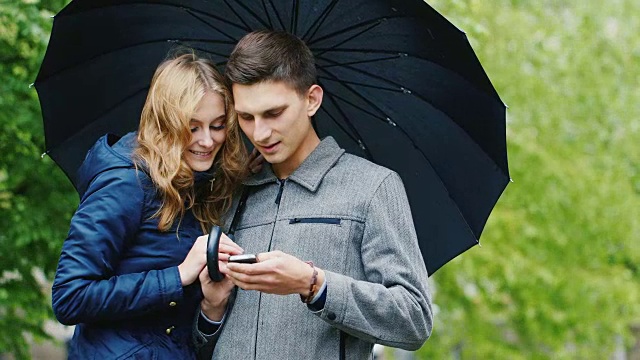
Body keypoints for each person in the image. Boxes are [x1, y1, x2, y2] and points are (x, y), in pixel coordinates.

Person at [194, 30, 433, 360]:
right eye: (246, 117)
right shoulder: (229, 192)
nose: (259, 133)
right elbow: (195, 342)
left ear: (312, 99)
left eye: (274, 113)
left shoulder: (372, 187)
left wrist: (314, 284)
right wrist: (211, 309)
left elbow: (413, 319)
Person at [52, 52, 248, 359]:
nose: (208, 141)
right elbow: (70, 296)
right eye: (192, 127)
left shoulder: (195, 185)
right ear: (166, 122)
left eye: (218, 125)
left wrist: (211, 306)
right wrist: (179, 276)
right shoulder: (126, 183)